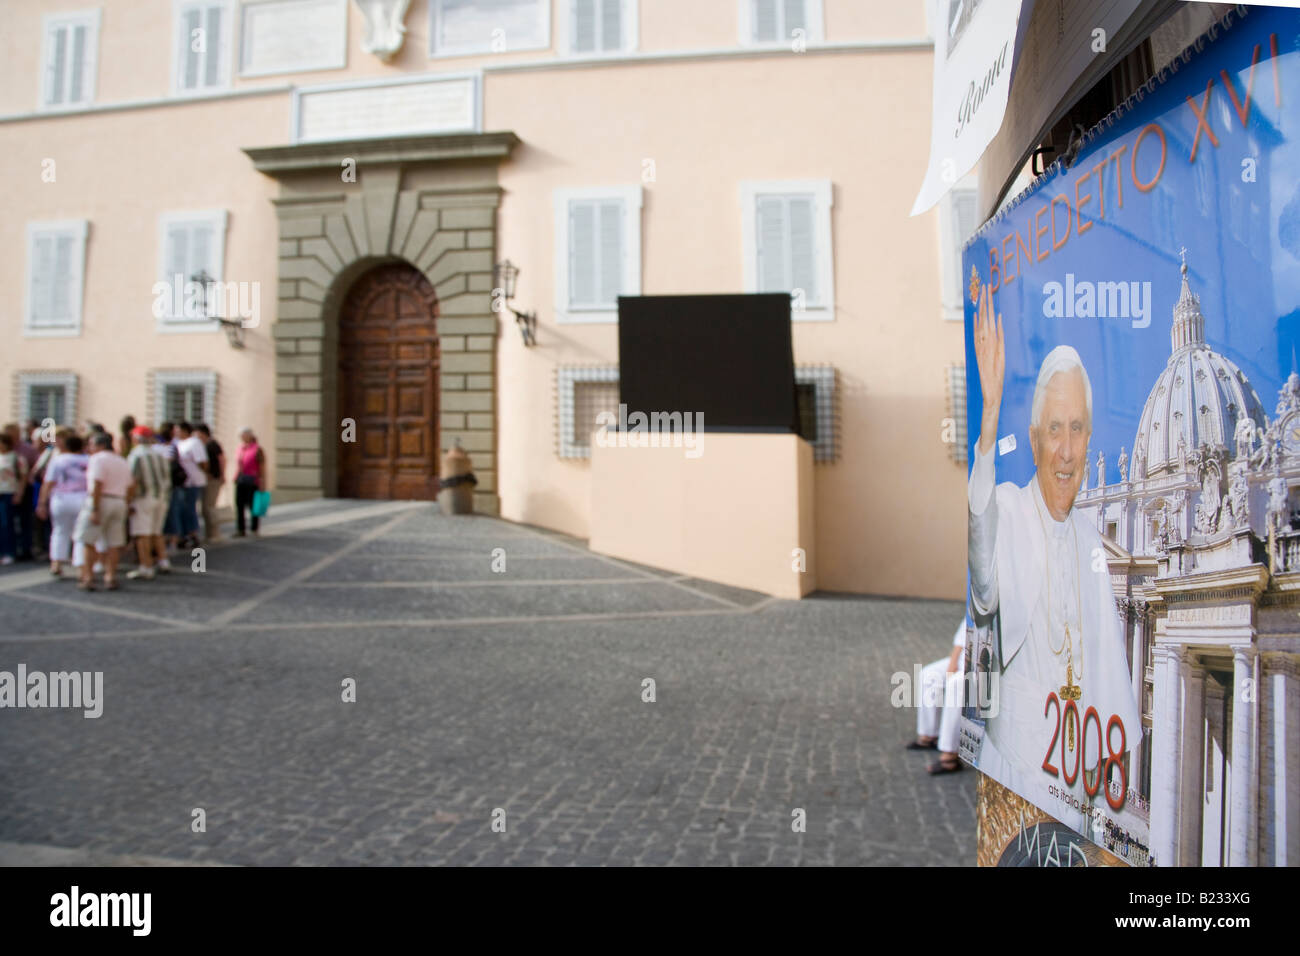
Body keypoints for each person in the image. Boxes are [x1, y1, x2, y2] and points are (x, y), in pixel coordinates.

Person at [967, 285, 1142, 825]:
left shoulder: (1093, 540)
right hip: (1017, 777)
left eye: (1077, 429)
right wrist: (989, 419)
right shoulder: (1009, 508)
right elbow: (984, 582)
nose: (1066, 450)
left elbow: (1112, 675)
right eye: (1053, 431)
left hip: (1080, 794)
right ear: (1035, 438)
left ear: (1090, 438)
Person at [906, 620, 967, 775]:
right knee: (928, 675)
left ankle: (950, 756)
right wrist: (953, 662)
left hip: (983, 664)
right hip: (964, 658)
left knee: (956, 686)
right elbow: (963, 633)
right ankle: (929, 735)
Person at [74, 433, 133, 591]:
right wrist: (126, 504)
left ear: (100, 445)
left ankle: (88, 577)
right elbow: (130, 486)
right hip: (119, 500)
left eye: (92, 444)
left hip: (103, 500)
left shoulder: (98, 459)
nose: (90, 448)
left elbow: (98, 484)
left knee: (89, 540)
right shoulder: (122, 461)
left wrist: (95, 508)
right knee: (114, 542)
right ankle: (110, 576)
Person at [35, 431, 88, 578]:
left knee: (59, 531)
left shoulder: (58, 460)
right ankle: (80, 565)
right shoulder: (88, 460)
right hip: (82, 498)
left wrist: (42, 502)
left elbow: (48, 483)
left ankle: (56, 563)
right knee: (80, 534)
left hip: (60, 498)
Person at [125, 426, 171, 581]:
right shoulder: (159, 454)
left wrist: (128, 501)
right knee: (156, 531)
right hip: (161, 497)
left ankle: (146, 566)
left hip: (144, 498)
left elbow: (132, 481)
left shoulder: (136, 455)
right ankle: (163, 561)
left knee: (142, 533)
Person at [176, 421, 208, 550]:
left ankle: (193, 534)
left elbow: (202, 462)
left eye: (179, 430)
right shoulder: (179, 443)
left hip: (193, 481)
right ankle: (184, 534)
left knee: (190, 509)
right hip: (183, 482)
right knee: (182, 509)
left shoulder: (194, 443)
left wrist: (197, 473)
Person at [234, 428, 266, 537]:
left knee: (253, 505)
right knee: (239, 505)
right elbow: (239, 464)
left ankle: (254, 528)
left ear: (249, 436)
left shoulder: (257, 449)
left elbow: (262, 466)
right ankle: (241, 529)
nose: (242, 438)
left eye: (243, 435)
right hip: (241, 479)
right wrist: (236, 476)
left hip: (253, 480)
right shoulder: (240, 448)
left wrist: (262, 481)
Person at [196, 424, 225, 542]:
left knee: (209, 507)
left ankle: (214, 533)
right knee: (205, 508)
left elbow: (221, 459)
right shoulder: (203, 445)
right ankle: (209, 534)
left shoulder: (212, 444)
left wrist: (222, 475)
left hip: (214, 479)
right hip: (208, 479)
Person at [0, 432, 25, 566]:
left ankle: (10, 552)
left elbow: (22, 477)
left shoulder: (16, 458)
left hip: (9, 492)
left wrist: (19, 494)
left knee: (7, 524)